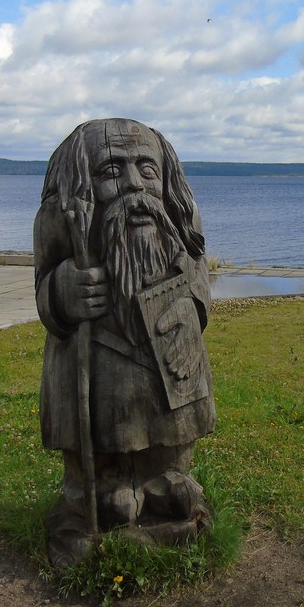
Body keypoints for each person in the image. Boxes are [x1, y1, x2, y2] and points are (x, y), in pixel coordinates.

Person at [33, 118, 216, 566]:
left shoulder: (177, 216)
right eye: (113, 170)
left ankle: (167, 474)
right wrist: (62, 290)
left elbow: (197, 271)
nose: (135, 184)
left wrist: (190, 303)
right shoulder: (60, 221)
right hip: (101, 354)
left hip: (167, 353)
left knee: (169, 419)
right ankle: (98, 486)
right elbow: (43, 285)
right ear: (81, 180)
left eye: (146, 170)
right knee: (106, 422)